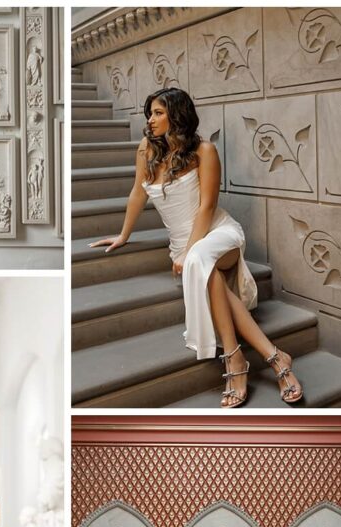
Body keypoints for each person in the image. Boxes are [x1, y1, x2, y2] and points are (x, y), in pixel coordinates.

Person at [89, 87, 303, 408]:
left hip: (218, 234)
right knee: (203, 267)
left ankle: (234, 360)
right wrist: (123, 235)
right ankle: (276, 358)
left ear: (178, 115)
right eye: (151, 113)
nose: (151, 119)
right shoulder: (146, 149)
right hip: (185, 248)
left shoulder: (204, 151)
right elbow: (138, 193)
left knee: (200, 258)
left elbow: (207, 207)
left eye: (159, 113)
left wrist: (191, 250)